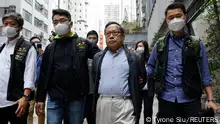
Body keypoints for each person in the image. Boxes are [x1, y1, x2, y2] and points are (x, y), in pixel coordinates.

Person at [147, 3, 218, 124]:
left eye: (178, 16)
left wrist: (210, 99)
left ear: (185, 17)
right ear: (167, 20)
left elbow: (205, 72)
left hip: (190, 98)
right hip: (166, 98)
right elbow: (150, 66)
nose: (175, 20)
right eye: (171, 17)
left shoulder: (196, 44)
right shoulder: (160, 44)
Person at [35, 9, 100, 124]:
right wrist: (40, 98)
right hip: (54, 97)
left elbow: (101, 56)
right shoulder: (50, 47)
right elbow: (44, 74)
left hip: (77, 97)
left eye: (62, 20)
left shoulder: (82, 43)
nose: (59, 24)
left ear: (70, 24)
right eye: (55, 22)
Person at [92, 21, 147, 124]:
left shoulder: (134, 57)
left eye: (115, 33)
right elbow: (95, 77)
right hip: (103, 103)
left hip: (125, 103)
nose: (111, 36)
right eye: (108, 33)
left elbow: (141, 80)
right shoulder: (98, 58)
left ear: (122, 36)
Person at [0, 12, 37, 124]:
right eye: (5, 24)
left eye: (12, 24)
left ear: (20, 27)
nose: (8, 27)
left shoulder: (27, 48)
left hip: (17, 101)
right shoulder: (2, 47)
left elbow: (29, 74)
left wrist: (25, 97)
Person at [135, 41, 154, 124]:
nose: (139, 48)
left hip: (148, 88)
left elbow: (154, 70)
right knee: (136, 110)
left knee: (148, 110)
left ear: (145, 47)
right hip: (137, 89)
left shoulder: (150, 58)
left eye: (141, 46)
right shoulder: (133, 58)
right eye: (138, 46)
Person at [27, 36, 45, 124]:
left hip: (40, 86)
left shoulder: (44, 55)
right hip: (30, 86)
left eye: (38, 42)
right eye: (33, 43)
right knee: (29, 110)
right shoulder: (28, 55)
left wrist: (44, 56)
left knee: (40, 110)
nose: (36, 44)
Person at [84, 30, 99, 124]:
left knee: (92, 118)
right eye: (89, 38)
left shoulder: (100, 54)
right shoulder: (81, 53)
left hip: (94, 92)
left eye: (94, 38)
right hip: (81, 92)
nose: (91, 40)